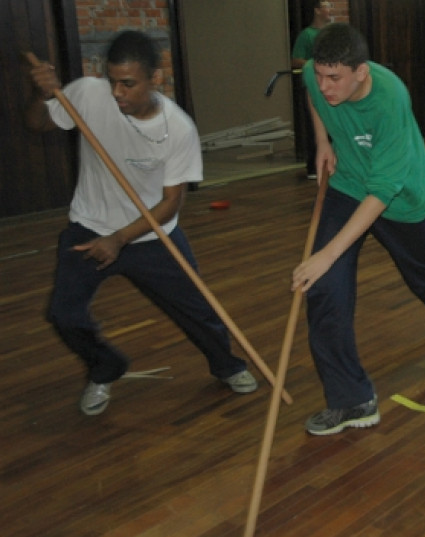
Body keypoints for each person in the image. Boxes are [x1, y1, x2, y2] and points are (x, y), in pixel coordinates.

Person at [26, 30, 257, 416]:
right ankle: (106, 366)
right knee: (63, 315)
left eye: (128, 84)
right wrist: (44, 95)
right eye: (113, 80)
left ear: (156, 78)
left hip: (151, 233)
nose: (118, 92)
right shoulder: (86, 92)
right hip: (89, 226)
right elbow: (37, 125)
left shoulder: (178, 129)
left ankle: (227, 366)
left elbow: (170, 204)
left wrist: (120, 239)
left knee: (198, 311)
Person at [290, 23, 425, 436]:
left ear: (362, 72)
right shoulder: (317, 75)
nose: (324, 86)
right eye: (321, 75)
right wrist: (322, 142)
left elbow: (381, 193)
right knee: (324, 289)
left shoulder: (390, 98)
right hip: (346, 186)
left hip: (400, 200)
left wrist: (327, 253)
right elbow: (309, 89)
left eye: (334, 79)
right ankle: (352, 400)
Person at [290, 0, 332, 179]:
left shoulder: (331, 34)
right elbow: (296, 61)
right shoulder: (306, 35)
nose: (329, 10)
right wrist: (316, 64)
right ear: (317, 10)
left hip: (332, 89)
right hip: (313, 88)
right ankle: (314, 167)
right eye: (326, 6)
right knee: (314, 128)